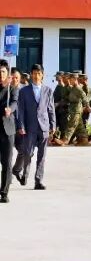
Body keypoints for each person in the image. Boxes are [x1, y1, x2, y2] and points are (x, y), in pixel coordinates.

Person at [13, 63, 55, 191]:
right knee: (28, 153)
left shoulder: (48, 90)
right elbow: (20, 110)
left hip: (43, 127)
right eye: (34, 73)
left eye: (39, 73)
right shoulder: (24, 91)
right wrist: (21, 125)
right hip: (29, 127)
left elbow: (51, 109)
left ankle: (38, 180)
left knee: (42, 156)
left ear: (42, 75)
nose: (36, 76)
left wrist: (53, 125)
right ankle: (25, 175)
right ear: (31, 75)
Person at [1, 60, 18, 203]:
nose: (0, 74)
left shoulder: (12, 89)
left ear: (7, 74)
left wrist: (9, 109)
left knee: (6, 163)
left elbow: (15, 102)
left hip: (8, 130)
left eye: (3, 72)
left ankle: (4, 192)